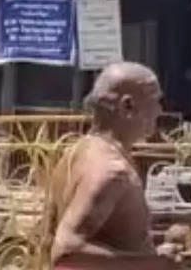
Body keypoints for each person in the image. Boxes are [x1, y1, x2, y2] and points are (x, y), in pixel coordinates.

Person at [46, 62, 175, 270]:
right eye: (155, 101)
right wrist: (156, 264)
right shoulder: (111, 171)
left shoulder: (80, 150)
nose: (160, 111)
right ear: (128, 107)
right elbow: (66, 251)